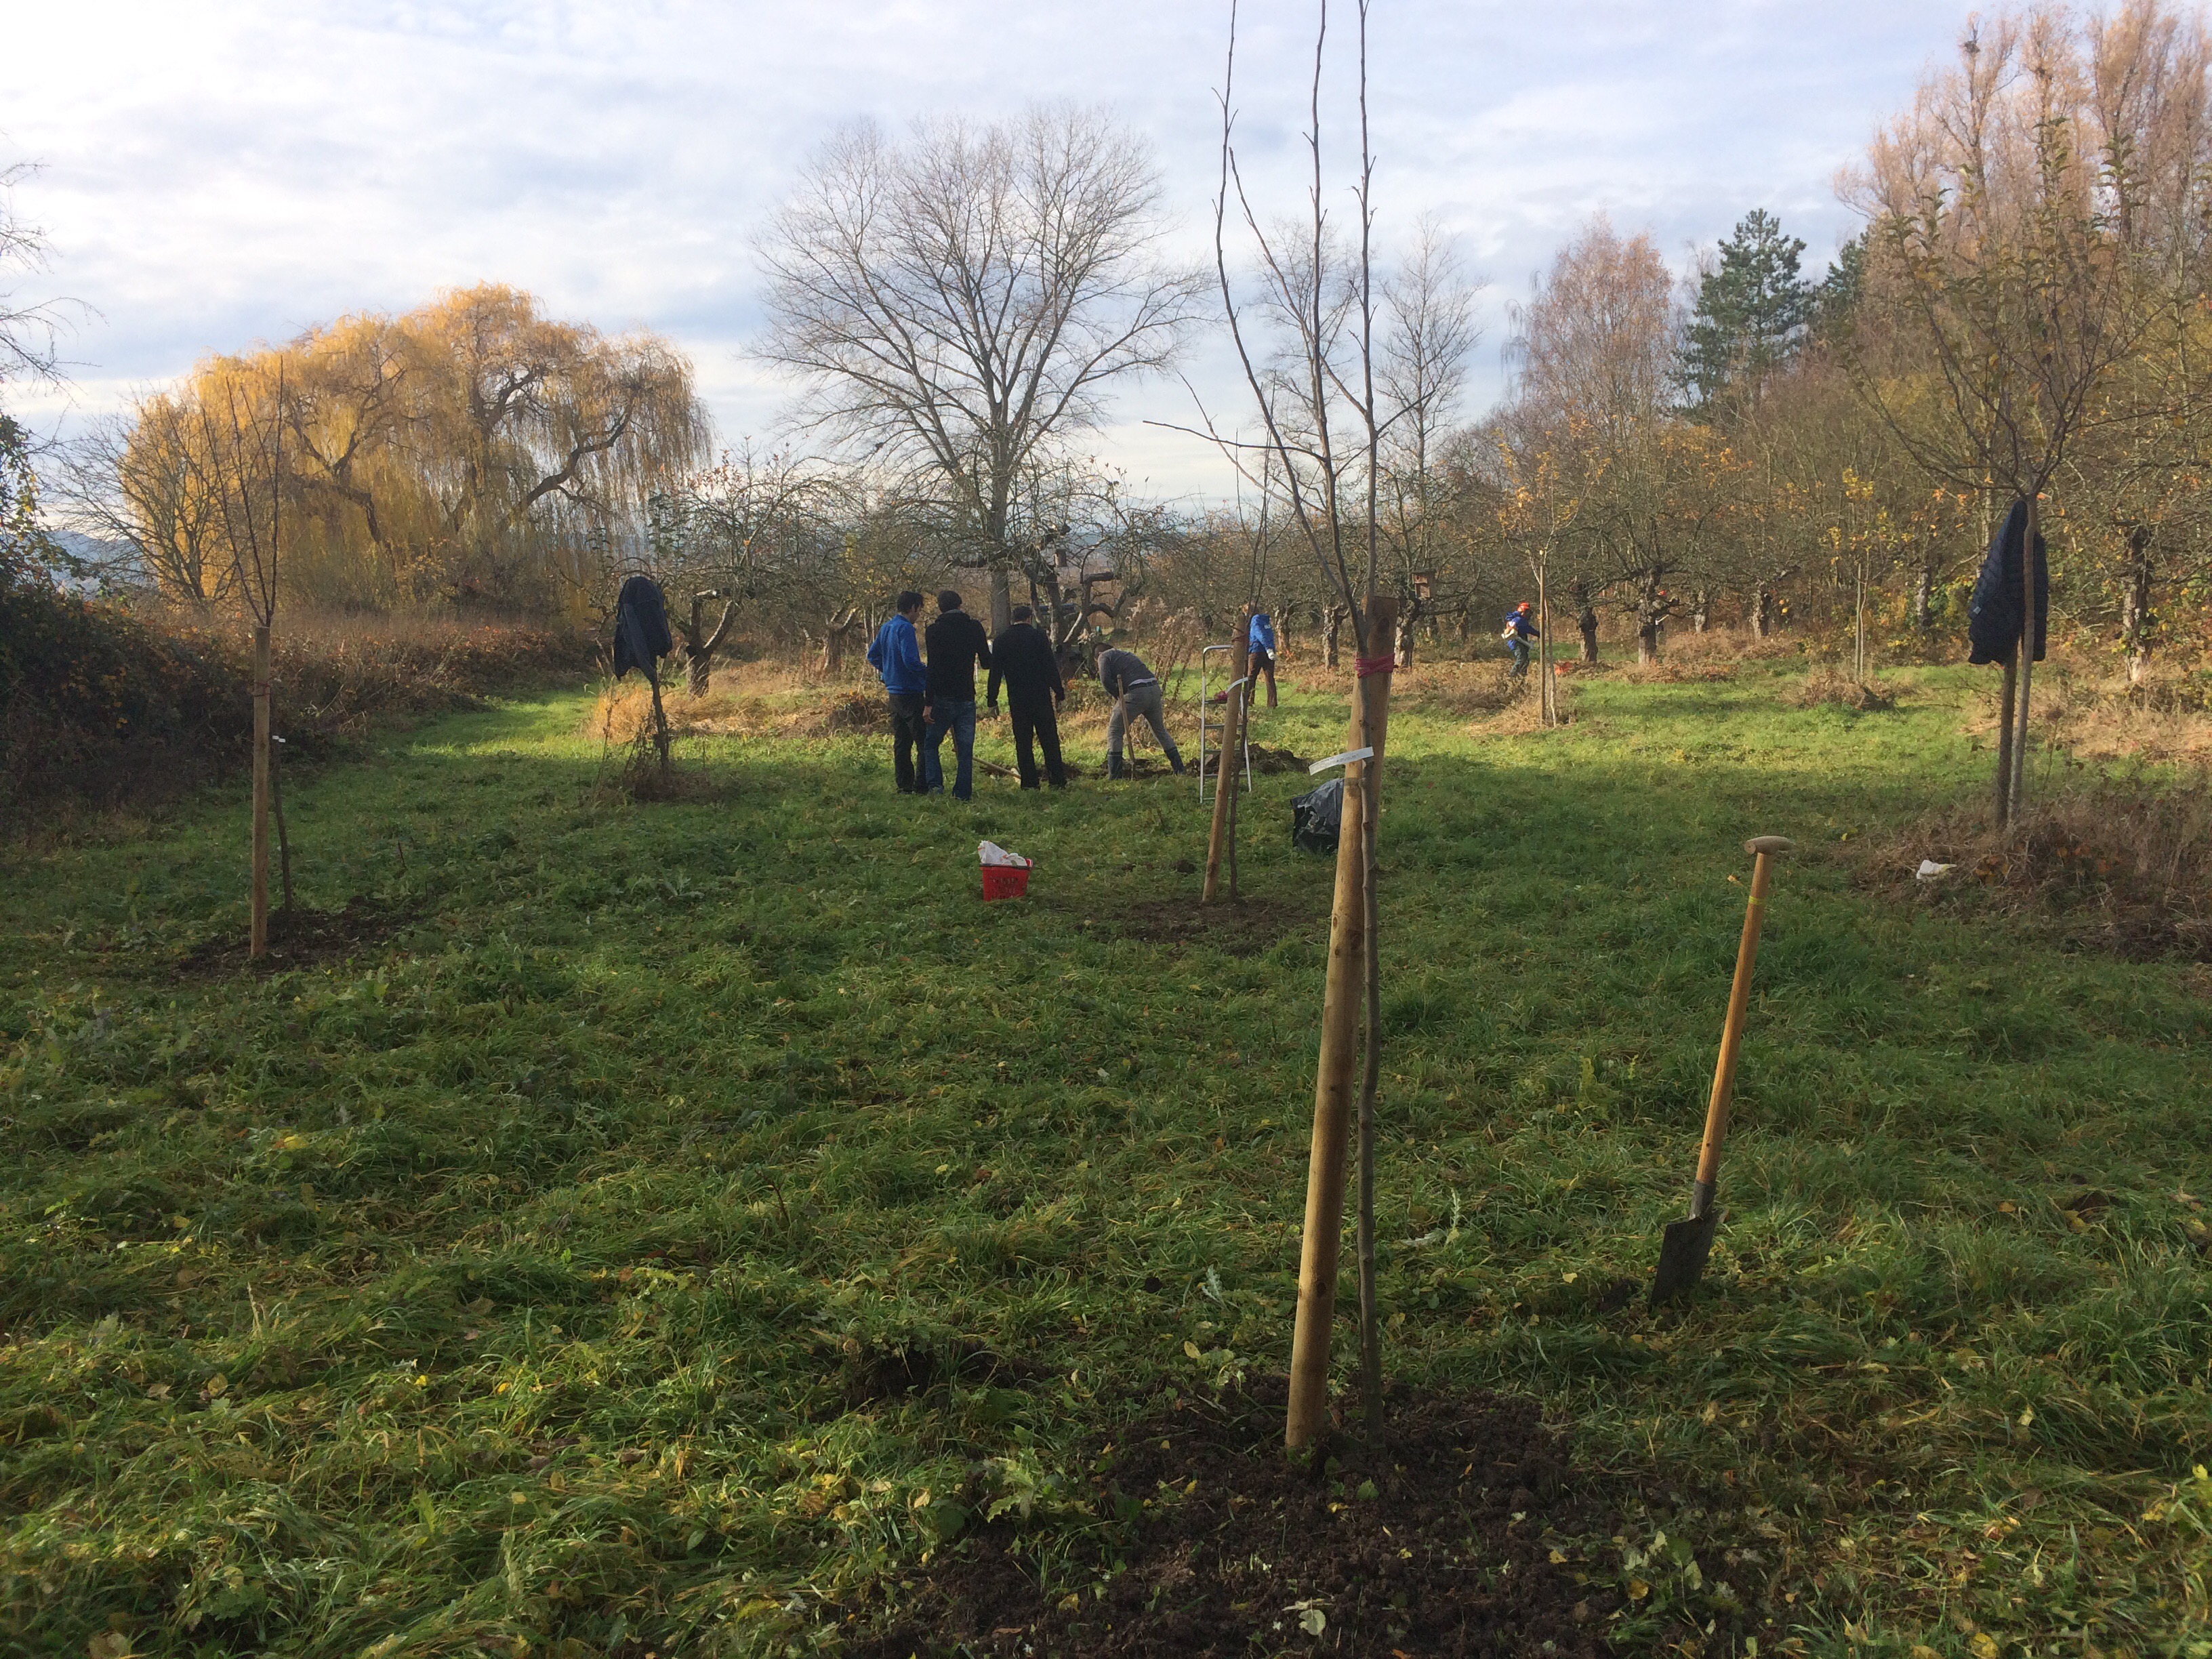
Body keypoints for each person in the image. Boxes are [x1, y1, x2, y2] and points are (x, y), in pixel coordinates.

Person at [986, 604, 1067, 789]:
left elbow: (995, 673)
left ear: (1012, 620)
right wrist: (1059, 691)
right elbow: (1050, 666)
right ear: (1029, 619)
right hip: (1040, 696)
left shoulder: (1001, 641)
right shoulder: (1039, 637)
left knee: (1023, 742)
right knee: (1049, 739)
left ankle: (1030, 782)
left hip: (1017, 698)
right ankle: (1057, 780)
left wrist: (992, 699)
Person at [921, 590, 991, 800]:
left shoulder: (934, 631)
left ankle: (935, 787)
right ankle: (962, 793)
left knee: (930, 744)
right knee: (965, 749)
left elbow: (932, 669)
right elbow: (987, 662)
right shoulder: (974, 627)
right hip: (966, 696)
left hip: (941, 697)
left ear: (940, 608)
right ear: (960, 605)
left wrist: (928, 703)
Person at [863, 590, 928, 792]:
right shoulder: (906, 628)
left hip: (893, 693)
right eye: (919, 610)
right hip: (911, 692)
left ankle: (904, 785)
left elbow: (872, 655)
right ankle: (922, 785)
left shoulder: (887, 627)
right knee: (923, 741)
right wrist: (928, 673)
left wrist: (888, 670)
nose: (919, 615)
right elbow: (910, 660)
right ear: (912, 607)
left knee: (901, 741)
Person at [1098, 644, 1184, 779]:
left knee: (1115, 731)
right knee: (1159, 730)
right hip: (1154, 689)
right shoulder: (1126, 654)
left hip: (1137, 692)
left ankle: (1115, 776)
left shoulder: (1103, 656)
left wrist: (1118, 696)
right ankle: (1180, 769)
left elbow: (1105, 681)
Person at [1246, 603, 1279, 707]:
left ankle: (1248, 700)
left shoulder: (1255, 620)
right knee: (1270, 677)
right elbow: (1270, 636)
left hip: (1257, 651)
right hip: (1269, 651)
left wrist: (1267, 648)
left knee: (1251, 677)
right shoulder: (1265, 621)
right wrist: (1270, 649)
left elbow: (1260, 634)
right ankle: (1272, 703)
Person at [1502, 601, 1536, 679]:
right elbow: (1529, 629)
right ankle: (1511, 677)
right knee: (1522, 658)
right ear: (1523, 611)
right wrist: (1538, 634)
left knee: (1526, 659)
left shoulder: (1515, 619)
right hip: (1516, 642)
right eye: (1528, 612)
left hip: (1519, 641)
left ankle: (1521, 678)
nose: (1529, 615)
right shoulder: (1519, 620)